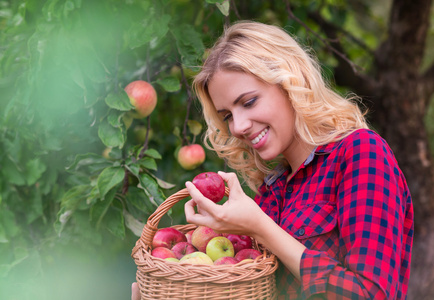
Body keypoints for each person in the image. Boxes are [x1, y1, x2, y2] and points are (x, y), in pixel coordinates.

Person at [132, 21, 414, 299]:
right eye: (227, 115)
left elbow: (372, 293)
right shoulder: (273, 190)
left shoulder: (360, 153)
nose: (238, 126)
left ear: (290, 83)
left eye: (249, 102)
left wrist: (261, 228)